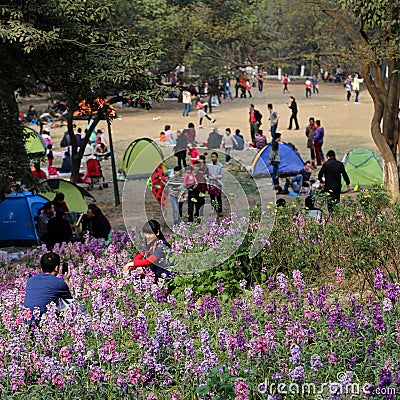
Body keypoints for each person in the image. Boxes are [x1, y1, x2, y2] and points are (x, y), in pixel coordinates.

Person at [23, 252, 72, 317]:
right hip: (46, 320)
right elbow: (69, 301)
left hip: (27, 319)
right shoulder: (59, 283)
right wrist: (66, 280)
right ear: (56, 268)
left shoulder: (30, 280)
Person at [207, 152, 224, 217]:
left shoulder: (220, 165)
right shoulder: (209, 165)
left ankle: (220, 211)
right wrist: (212, 178)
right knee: (212, 198)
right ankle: (213, 210)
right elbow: (208, 175)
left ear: (217, 157)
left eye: (214, 157)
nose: (213, 158)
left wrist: (217, 177)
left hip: (218, 184)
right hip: (211, 183)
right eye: (212, 157)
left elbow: (221, 174)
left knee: (219, 198)